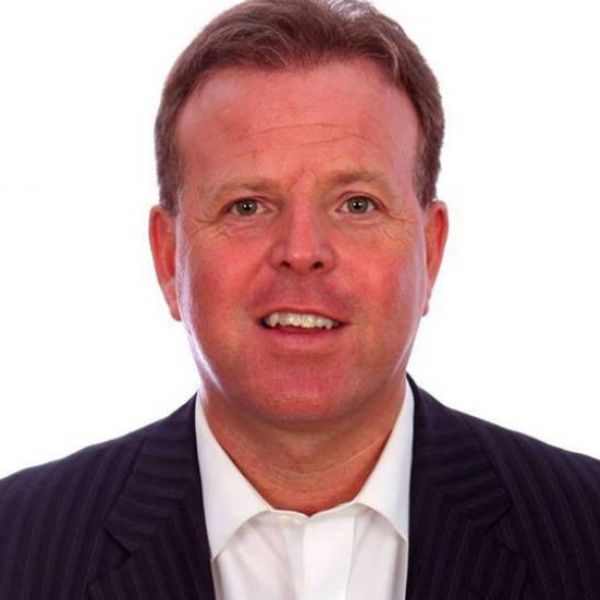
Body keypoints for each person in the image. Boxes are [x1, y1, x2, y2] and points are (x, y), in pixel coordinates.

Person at [1, 0, 599, 598]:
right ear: (168, 256)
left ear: (430, 250)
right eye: (247, 206)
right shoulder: (16, 544)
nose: (303, 251)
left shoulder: (585, 529)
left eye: (357, 204)